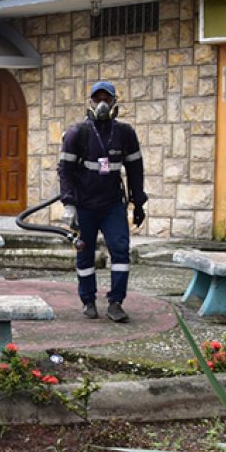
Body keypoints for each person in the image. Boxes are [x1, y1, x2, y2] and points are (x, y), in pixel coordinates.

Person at [58, 80, 147, 323]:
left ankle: (116, 302)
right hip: (84, 205)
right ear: (90, 103)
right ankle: (88, 300)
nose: (102, 104)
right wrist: (69, 205)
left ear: (115, 102)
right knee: (84, 254)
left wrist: (138, 203)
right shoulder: (78, 133)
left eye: (106, 99)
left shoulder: (125, 133)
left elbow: (135, 170)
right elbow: (64, 171)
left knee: (120, 251)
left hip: (112, 205)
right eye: (97, 100)